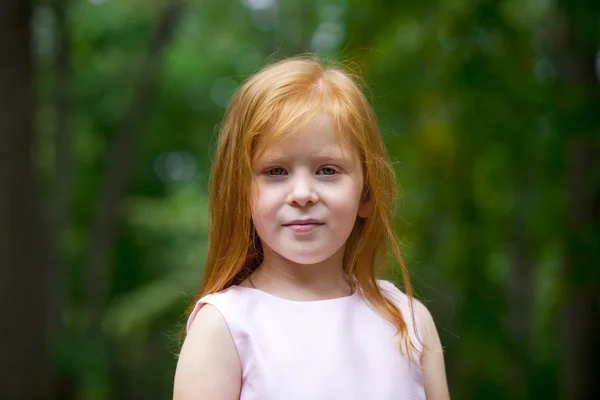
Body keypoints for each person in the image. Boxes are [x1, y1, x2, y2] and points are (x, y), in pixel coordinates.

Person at [173, 56, 450, 400]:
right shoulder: (224, 327)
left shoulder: (409, 322)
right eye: (275, 172)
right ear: (240, 195)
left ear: (366, 193)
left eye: (328, 170)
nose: (302, 194)